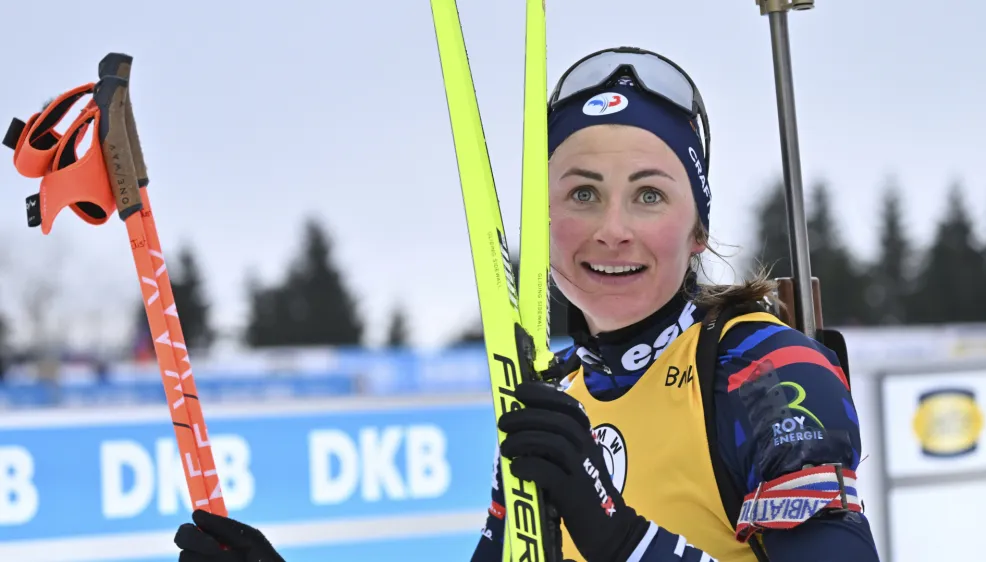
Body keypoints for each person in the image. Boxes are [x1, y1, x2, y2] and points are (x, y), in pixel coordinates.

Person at [173, 47, 881, 562]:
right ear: (542, 226)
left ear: (697, 229)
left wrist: (620, 538)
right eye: (581, 193)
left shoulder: (758, 369)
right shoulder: (552, 394)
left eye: (649, 193)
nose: (612, 227)